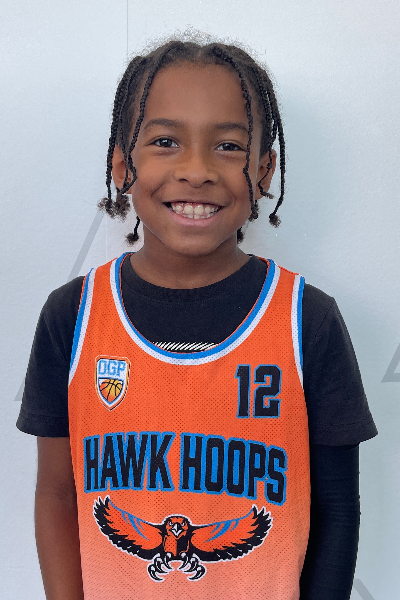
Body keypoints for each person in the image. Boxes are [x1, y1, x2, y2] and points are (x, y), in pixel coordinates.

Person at [17, 38, 377, 600]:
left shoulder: (307, 320)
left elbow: (335, 507)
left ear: (263, 171)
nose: (197, 170)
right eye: (166, 141)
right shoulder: (73, 317)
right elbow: (58, 495)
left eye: (229, 146)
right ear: (123, 165)